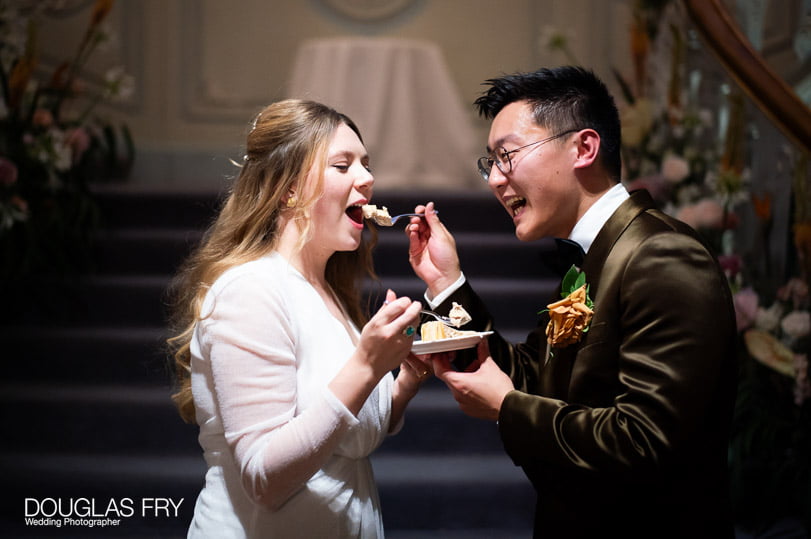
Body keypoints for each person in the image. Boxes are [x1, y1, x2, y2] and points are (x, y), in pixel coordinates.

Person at [406, 66, 738, 538]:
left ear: (584, 148)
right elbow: (537, 381)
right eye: (491, 163)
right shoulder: (593, 256)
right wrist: (447, 283)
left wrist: (507, 408)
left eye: (508, 156)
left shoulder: (662, 255)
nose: (495, 180)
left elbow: (644, 442)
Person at [166, 99, 427, 538]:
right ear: (288, 189)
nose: (368, 179)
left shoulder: (328, 294)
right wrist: (366, 366)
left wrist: (404, 381)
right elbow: (264, 480)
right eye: (343, 165)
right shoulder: (250, 290)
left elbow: (351, 442)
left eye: (365, 164)